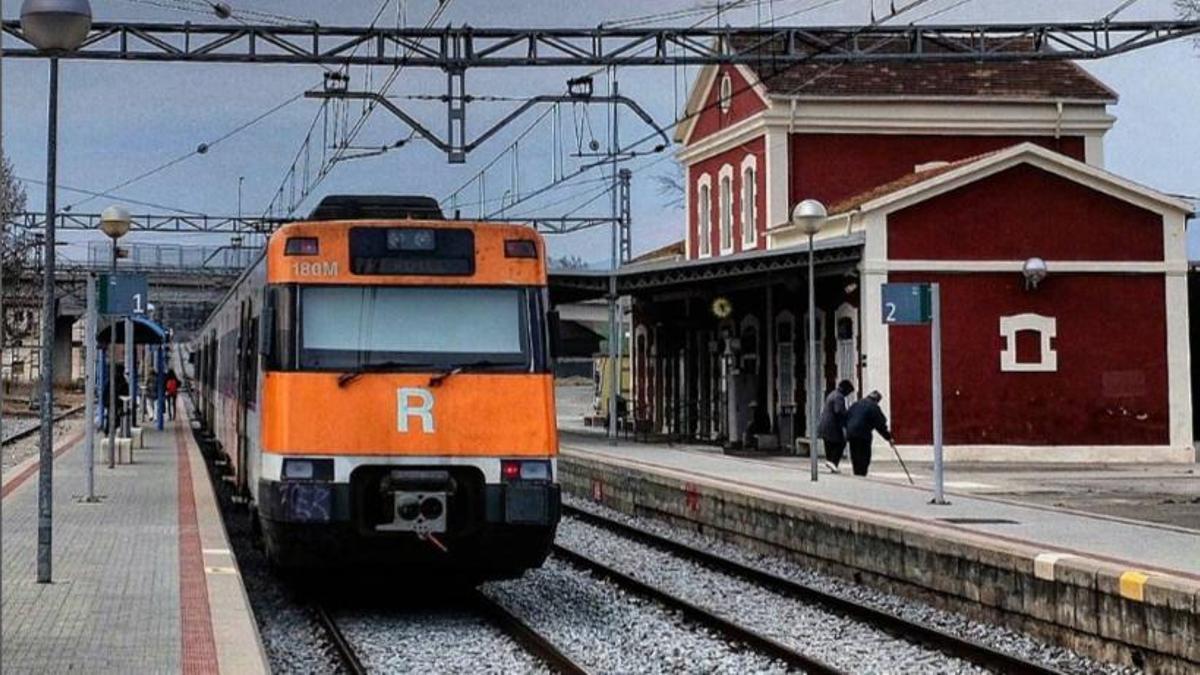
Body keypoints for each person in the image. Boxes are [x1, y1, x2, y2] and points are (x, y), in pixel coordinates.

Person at [845, 390, 892, 477]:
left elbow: (846, 416)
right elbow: (880, 425)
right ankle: (862, 472)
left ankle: (857, 472)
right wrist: (888, 437)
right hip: (863, 434)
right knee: (865, 455)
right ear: (877, 400)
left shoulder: (856, 404)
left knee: (855, 453)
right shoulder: (874, 407)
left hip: (851, 433)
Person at [817, 380, 855, 473]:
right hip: (832, 425)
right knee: (841, 443)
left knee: (829, 445)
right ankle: (832, 462)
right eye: (848, 392)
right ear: (845, 389)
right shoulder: (839, 397)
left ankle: (831, 464)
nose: (847, 395)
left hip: (824, 425)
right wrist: (846, 417)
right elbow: (838, 411)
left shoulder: (832, 394)